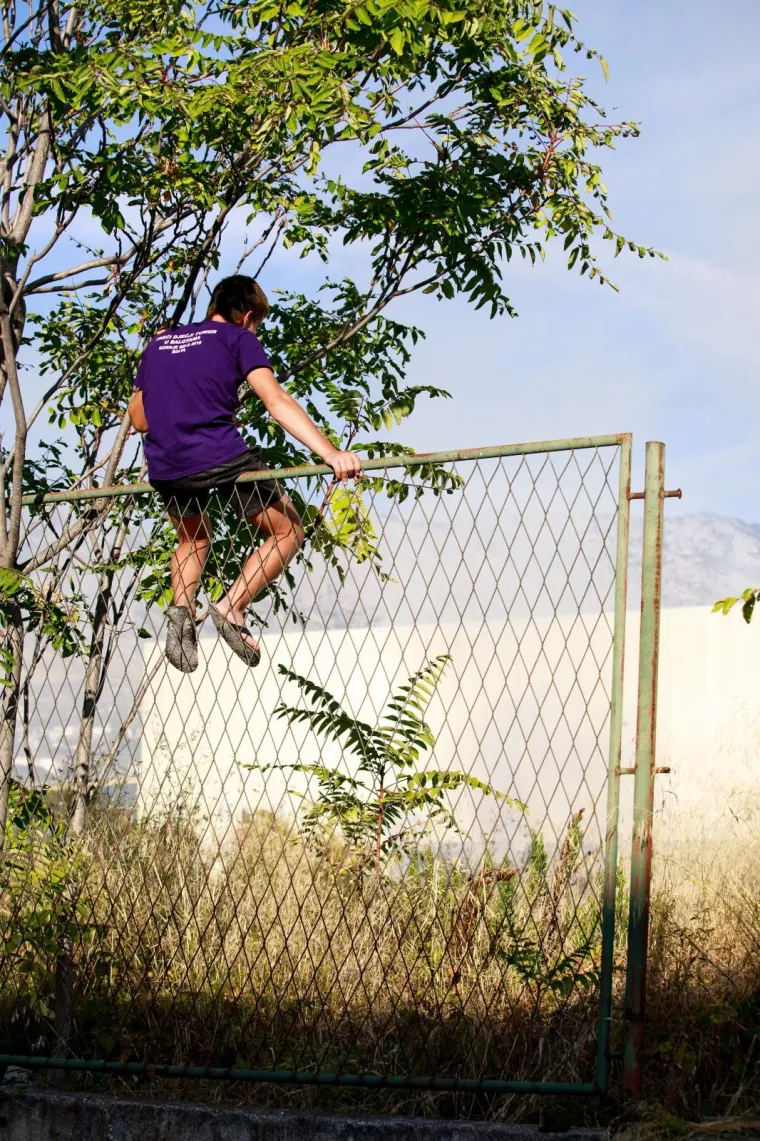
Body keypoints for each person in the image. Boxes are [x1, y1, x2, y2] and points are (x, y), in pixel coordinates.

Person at [128, 275, 360, 673]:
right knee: (288, 531)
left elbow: (139, 419)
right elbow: (276, 400)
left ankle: (181, 614)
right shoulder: (238, 339)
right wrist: (331, 452)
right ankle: (231, 606)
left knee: (194, 539)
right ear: (248, 316)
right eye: (257, 325)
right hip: (222, 457)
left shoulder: (159, 343)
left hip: (168, 465)